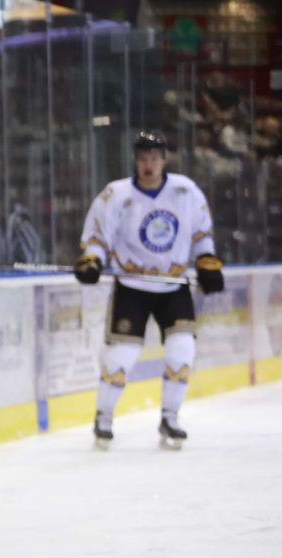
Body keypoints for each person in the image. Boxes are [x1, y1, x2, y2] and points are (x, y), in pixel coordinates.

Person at [75, 130, 225, 450]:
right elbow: (97, 238)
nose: (148, 164)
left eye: (154, 158)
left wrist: (208, 262)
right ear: (135, 159)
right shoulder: (115, 194)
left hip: (173, 285)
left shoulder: (186, 192)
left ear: (164, 159)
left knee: (182, 349)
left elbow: (202, 233)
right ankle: (103, 417)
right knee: (121, 356)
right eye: (143, 158)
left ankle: (170, 417)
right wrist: (92, 261)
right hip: (132, 286)